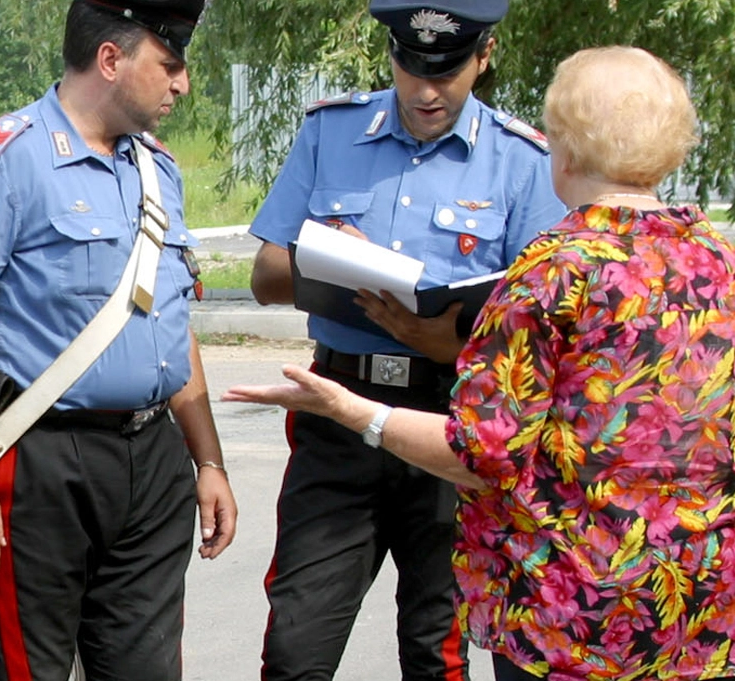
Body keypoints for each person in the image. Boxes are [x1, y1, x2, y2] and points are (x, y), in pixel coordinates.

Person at [225, 45, 735, 681]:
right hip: (698, 618)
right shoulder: (734, 276)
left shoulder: (549, 275)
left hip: (569, 617)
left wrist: (347, 408)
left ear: (561, 154)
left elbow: (481, 452)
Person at [0, 2, 237, 679]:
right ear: (112, 61)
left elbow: (167, 319)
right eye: (170, 65)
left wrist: (208, 459)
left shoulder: (158, 171)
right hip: (40, 464)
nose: (181, 84)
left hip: (151, 462)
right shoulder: (7, 159)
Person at [246, 0, 566, 678]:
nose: (425, 90)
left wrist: (444, 339)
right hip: (338, 408)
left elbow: (541, 324)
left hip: (451, 418)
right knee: (296, 646)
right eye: (410, 66)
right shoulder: (332, 132)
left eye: (446, 71)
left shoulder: (522, 161)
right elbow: (265, 275)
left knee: (435, 649)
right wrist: (326, 253)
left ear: (483, 58)